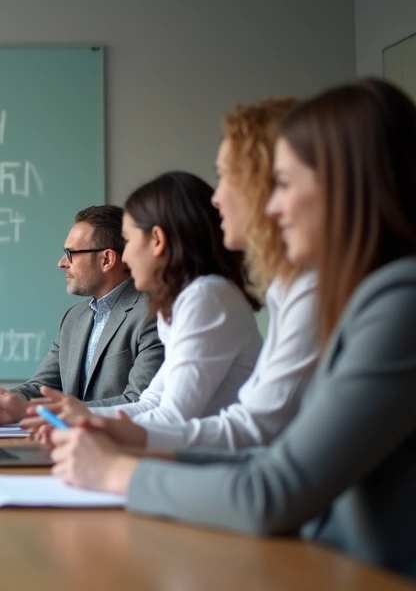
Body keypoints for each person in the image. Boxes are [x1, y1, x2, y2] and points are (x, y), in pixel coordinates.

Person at [49, 79, 416, 579]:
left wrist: (117, 471)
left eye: (283, 184)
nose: (272, 206)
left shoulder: (398, 303)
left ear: (347, 183)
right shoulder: (353, 296)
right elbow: (270, 456)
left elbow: (272, 487)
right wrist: (121, 445)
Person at [73, 99, 319, 451]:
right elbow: (156, 403)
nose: (216, 198)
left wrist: (106, 445)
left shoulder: (209, 296)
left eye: (225, 177)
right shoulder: (283, 289)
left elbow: (250, 431)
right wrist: (87, 422)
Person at [25, 172, 263, 429]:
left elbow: (172, 418)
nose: (124, 256)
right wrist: (76, 416)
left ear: (157, 240)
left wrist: (84, 424)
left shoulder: (205, 297)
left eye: (128, 240)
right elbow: (151, 403)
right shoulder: (179, 303)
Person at [0, 206, 164, 425]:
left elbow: (139, 402)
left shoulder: (154, 313)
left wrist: (35, 410)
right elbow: (42, 386)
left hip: (121, 448)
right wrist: (4, 403)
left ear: (107, 259)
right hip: (70, 446)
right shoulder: (74, 318)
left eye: (71, 253)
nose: (62, 262)